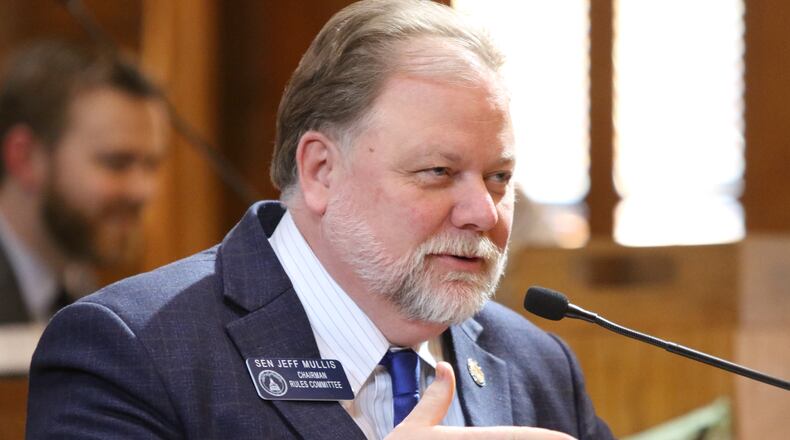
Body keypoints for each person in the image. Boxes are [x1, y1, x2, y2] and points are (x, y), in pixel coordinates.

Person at [27, 1, 613, 438]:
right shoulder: (130, 352)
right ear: (321, 170)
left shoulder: (538, 365)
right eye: (438, 171)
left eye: (498, 178)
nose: (484, 212)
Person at [0, 40, 168, 324]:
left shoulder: (83, 293)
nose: (144, 190)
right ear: (25, 158)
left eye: (151, 164)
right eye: (117, 162)